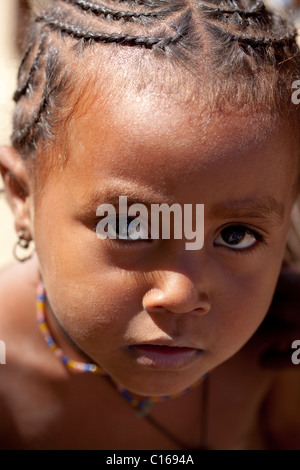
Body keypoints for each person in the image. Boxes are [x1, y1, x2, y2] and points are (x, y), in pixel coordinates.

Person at [0, 0, 300, 450]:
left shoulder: (278, 357)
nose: (179, 295)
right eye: (129, 226)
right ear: (23, 196)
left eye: (235, 235)